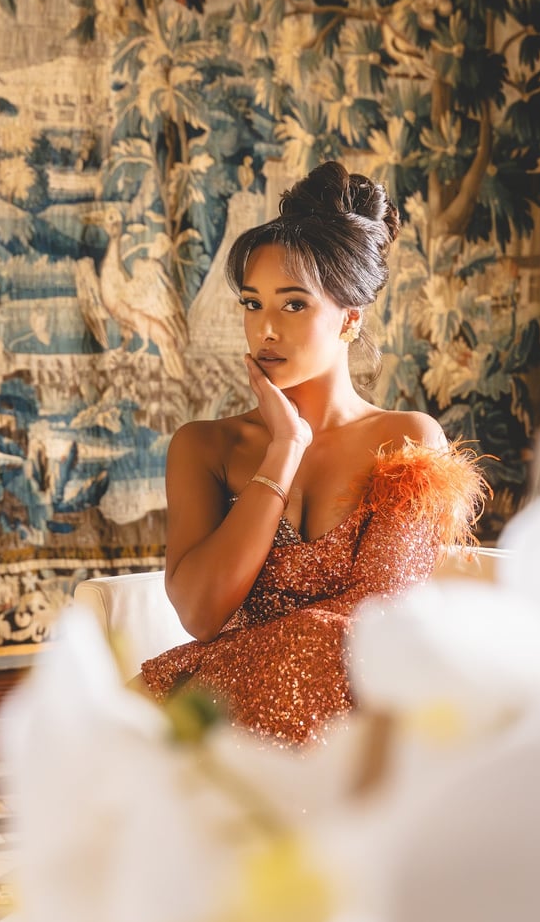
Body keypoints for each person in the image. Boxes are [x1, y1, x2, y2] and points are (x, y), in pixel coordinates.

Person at [141, 161, 487, 745]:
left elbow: (378, 624)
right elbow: (201, 615)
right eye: (253, 304)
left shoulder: (407, 442)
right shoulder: (206, 446)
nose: (265, 329)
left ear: (350, 319)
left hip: (353, 730)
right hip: (215, 716)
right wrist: (284, 450)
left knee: (321, 644)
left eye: (293, 305)